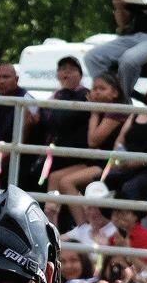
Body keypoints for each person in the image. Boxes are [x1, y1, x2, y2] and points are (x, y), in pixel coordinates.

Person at [49, 73, 125, 216]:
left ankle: (82, 225)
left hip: (108, 164)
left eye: (102, 88)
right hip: (94, 161)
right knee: (54, 177)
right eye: (94, 88)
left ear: (115, 93)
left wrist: (94, 113)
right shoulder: (100, 110)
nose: (97, 92)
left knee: (66, 182)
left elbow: (93, 141)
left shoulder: (116, 111)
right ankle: (50, 220)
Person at [103, 73, 147, 204]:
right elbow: (120, 139)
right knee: (102, 181)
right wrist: (119, 159)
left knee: (130, 187)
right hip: (126, 163)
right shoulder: (136, 113)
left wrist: (135, 163)